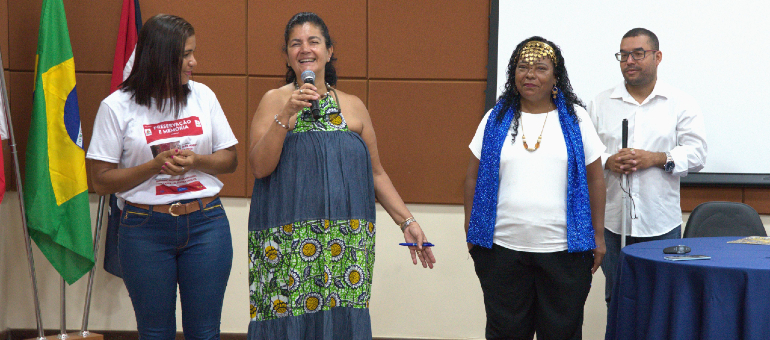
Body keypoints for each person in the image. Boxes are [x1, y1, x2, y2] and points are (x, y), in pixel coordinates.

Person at [247, 12, 436, 339]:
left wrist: (408, 222)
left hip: (345, 243)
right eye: (296, 43)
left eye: (313, 41)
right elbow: (260, 166)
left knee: (341, 323)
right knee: (287, 323)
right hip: (289, 242)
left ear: (329, 51)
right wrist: (287, 113)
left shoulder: (353, 106)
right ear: (288, 55)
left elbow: (376, 174)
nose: (305, 49)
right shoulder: (274, 101)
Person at [87, 14, 238, 339]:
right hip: (144, 230)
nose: (193, 62)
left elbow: (230, 159)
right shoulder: (117, 107)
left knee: (206, 332)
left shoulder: (203, 96)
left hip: (206, 224)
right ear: (160, 57)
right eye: (185, 54)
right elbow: (100, 180)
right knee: (155, 333)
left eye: (193, 52)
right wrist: (153, 167)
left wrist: (196, 160)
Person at [464, 37, 606, 340]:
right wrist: (471, 230)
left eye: (540, 68)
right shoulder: (495, 118)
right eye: (522, 67)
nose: (530, 75)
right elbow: (472, 177)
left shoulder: (577, 119)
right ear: (513, 74)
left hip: (565, 253)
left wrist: (599, 234)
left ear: (556, 77)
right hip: (501, 251)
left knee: (561, 333)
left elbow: (596, 179)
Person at [587, 28, 707, 307]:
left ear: (657, 56)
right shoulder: (600, 103)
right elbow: (585, 153)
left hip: (660, 222)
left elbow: (698, 154)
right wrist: (608, 160)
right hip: (613, 223)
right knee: (618, 300)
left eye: (638, 54)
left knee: (663, 301)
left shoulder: (681, 103)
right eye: (624, 55)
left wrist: (656, 158)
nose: (629, 61)